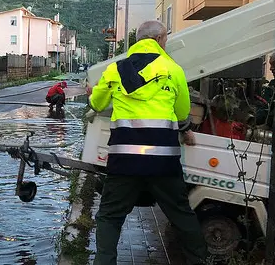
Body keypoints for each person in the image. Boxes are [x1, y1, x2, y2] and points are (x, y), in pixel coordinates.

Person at [88, 20, 208, 265]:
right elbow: (183, 111)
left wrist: (95, 93)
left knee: (110, 217)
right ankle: (198, 261)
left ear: (137, 41)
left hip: (124, 161)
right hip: (163, 162)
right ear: (160, 39)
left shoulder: (115, 69)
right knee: (181, 215)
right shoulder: (173, 69)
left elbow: (97, 105)